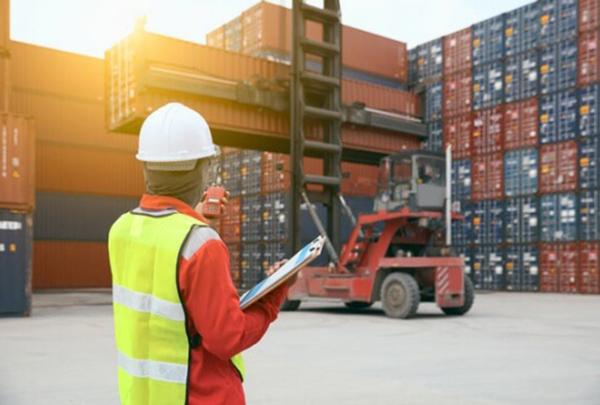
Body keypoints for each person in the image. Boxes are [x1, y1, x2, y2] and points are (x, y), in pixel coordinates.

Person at [108, 102, 292, 404]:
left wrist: (194, 218)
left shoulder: (121, 230)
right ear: (204, 168)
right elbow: (227, 338)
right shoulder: (202, 245)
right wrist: (273, 296)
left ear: (145, 165)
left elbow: (162, 271)